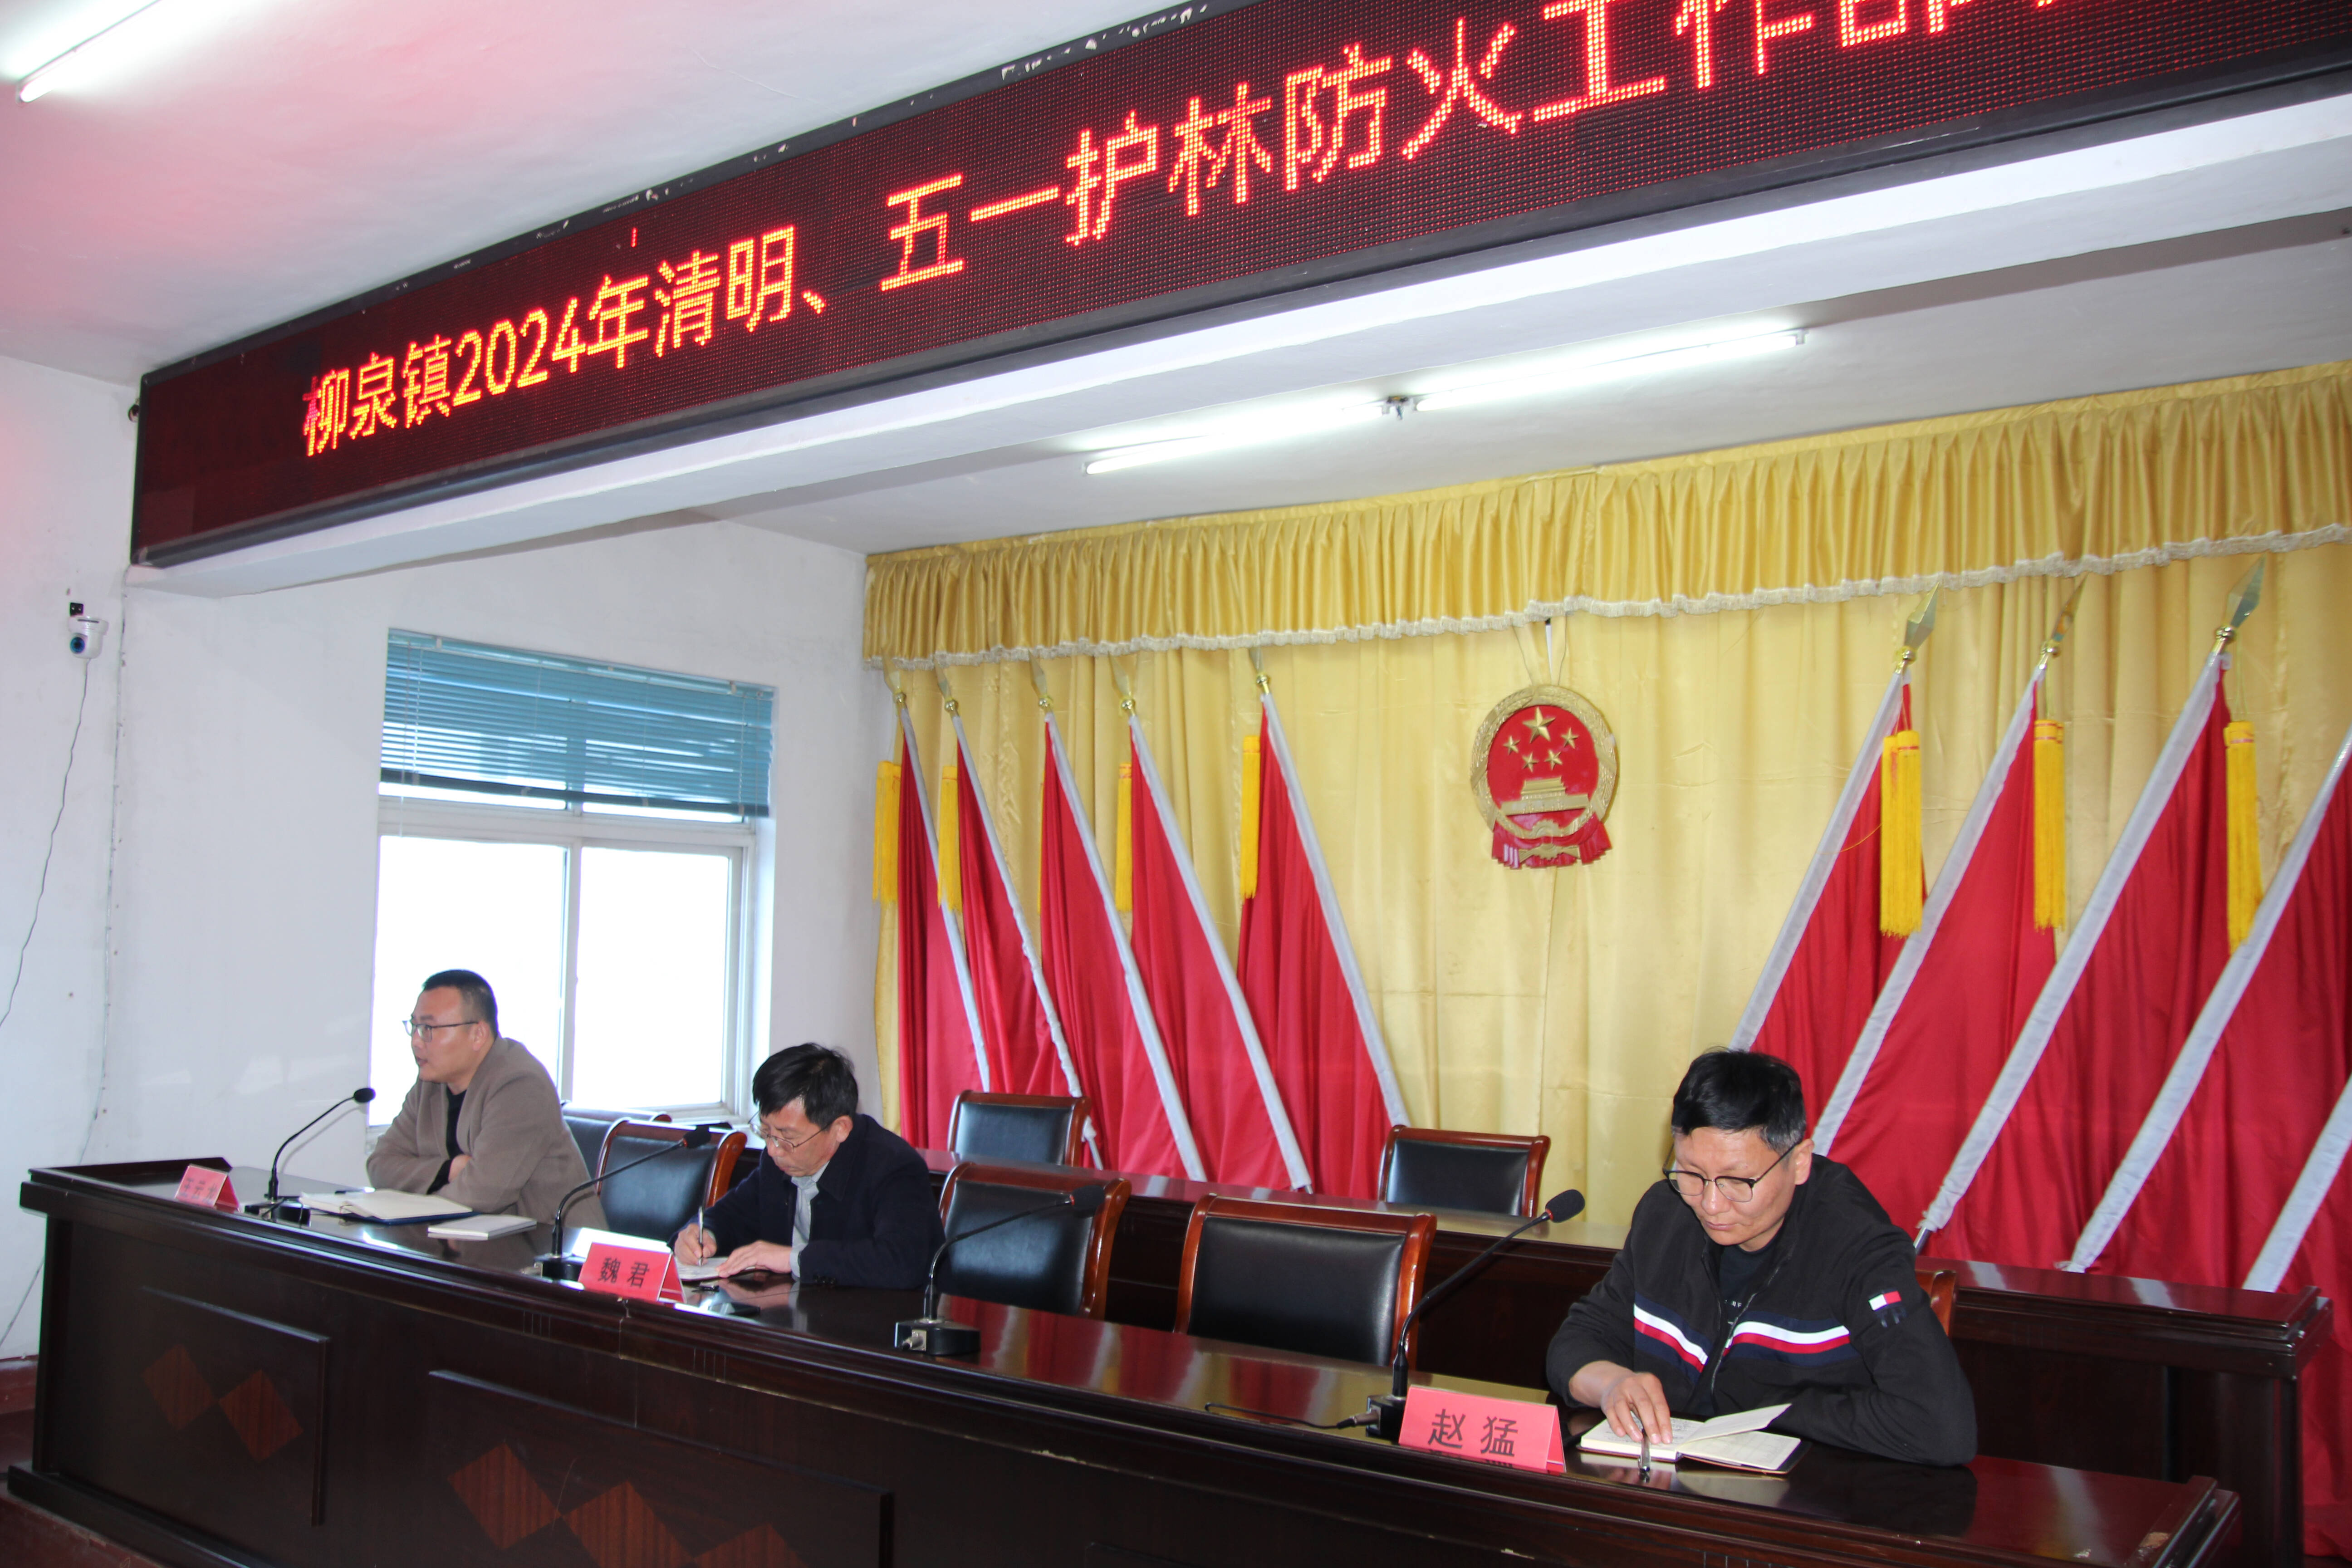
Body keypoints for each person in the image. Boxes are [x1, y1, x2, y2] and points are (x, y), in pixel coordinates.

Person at [1547, 1049, 1975, 1466]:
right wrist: (1611, 1384)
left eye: (1738, 1181)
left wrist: (1773, 1411)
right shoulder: (1666, 1214)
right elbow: (1577, 1340)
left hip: (1806, 1494)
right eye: (1692, 1174)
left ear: (1799, 1162)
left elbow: (1939, 1426)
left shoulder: (1854, 1244)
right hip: (1671, 1482)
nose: (1711, 1204)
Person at [672, 1043, 942, 1289]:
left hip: (878, 1320)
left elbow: (901, 1263)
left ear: (840, 1129)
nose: (772, 1149)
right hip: (798, 1311)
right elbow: (733, 1215)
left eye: (787, 1137)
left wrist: (794, 1259)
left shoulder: (894, 1167)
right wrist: (703, 1234)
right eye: (766, 1131)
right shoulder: (778, 1159)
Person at [367, 970, 603, 1228]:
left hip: (554, 1246)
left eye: (428, 1029)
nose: (416, 1042)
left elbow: (483, 1194)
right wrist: (449, 1170)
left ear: (478, 1034)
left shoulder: (520, 1084)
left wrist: (414, 1202)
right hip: (470, 1241)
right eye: (414, 1027)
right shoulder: (430, 1085)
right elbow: (380, 1166)